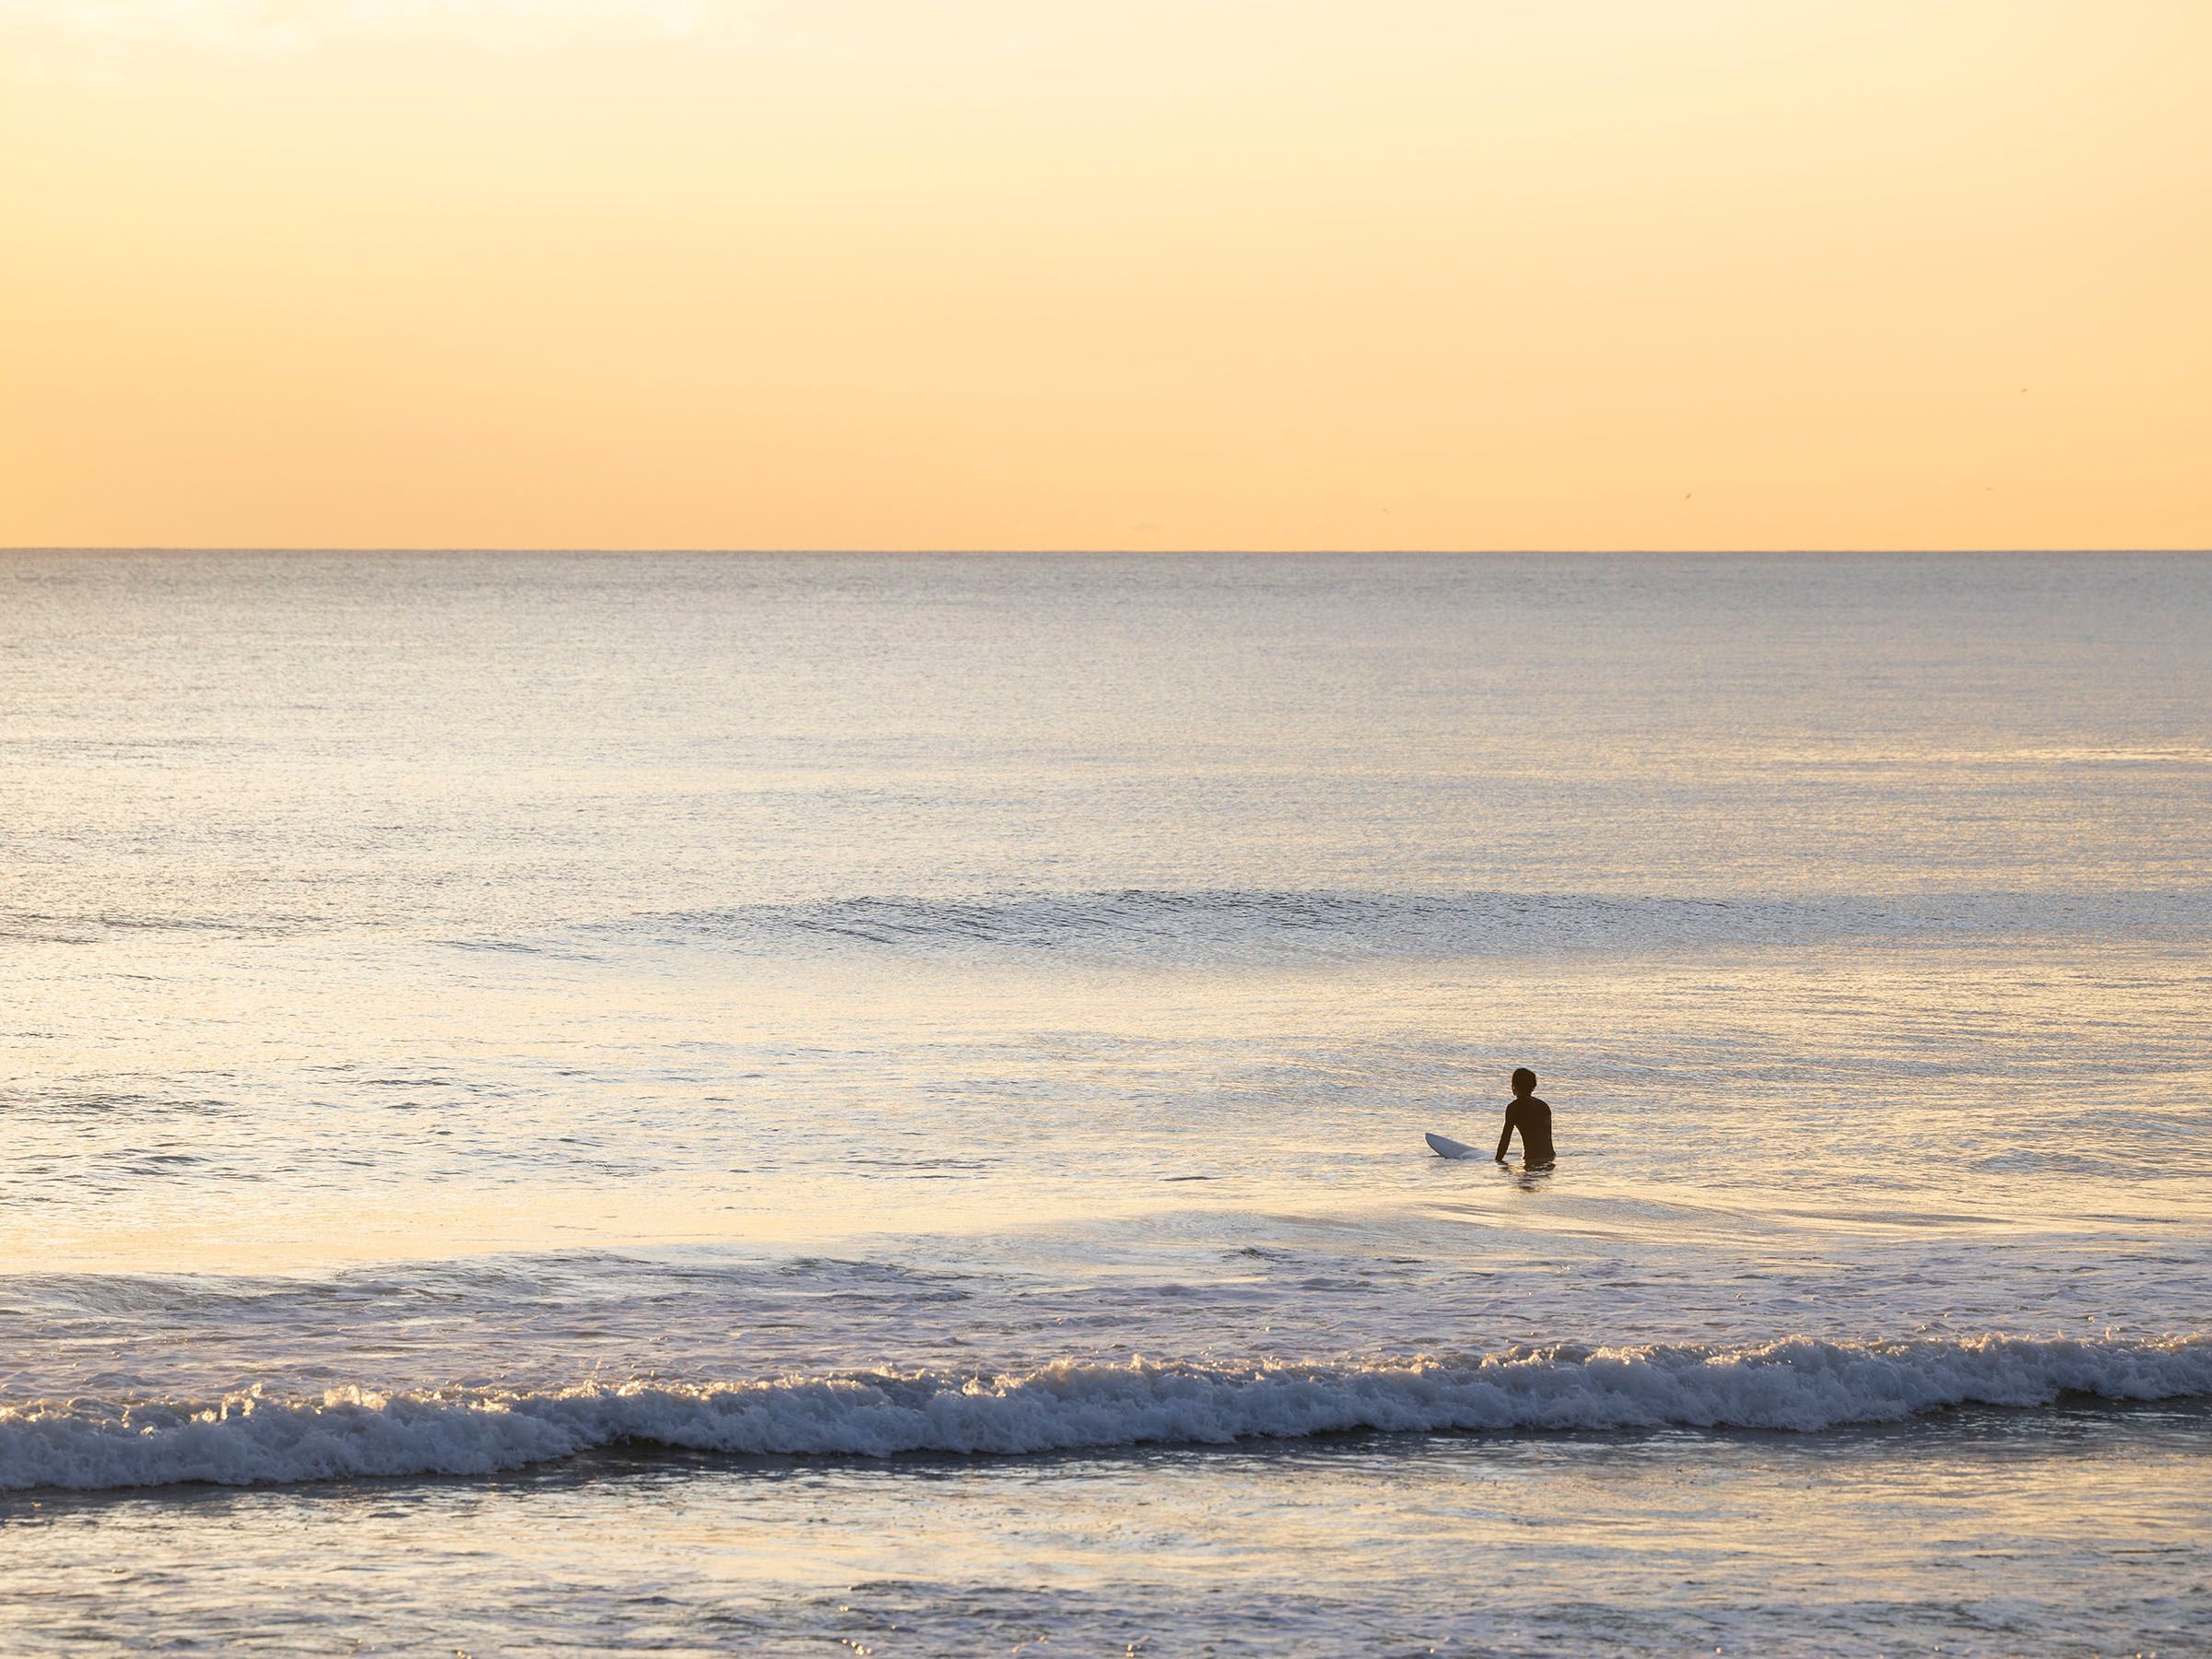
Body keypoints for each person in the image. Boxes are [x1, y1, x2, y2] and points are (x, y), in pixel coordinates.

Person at [1495, 1067, 1556, 1167]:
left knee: (1524, 1181)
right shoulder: (1543, 1106)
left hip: (1532, 1158)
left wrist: (1498, 1162)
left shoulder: (1514, 1108)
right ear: (1533, 1087)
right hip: (1550, 1159)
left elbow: (1505, 1139)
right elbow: (1547, 1137)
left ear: (1514, 1086)